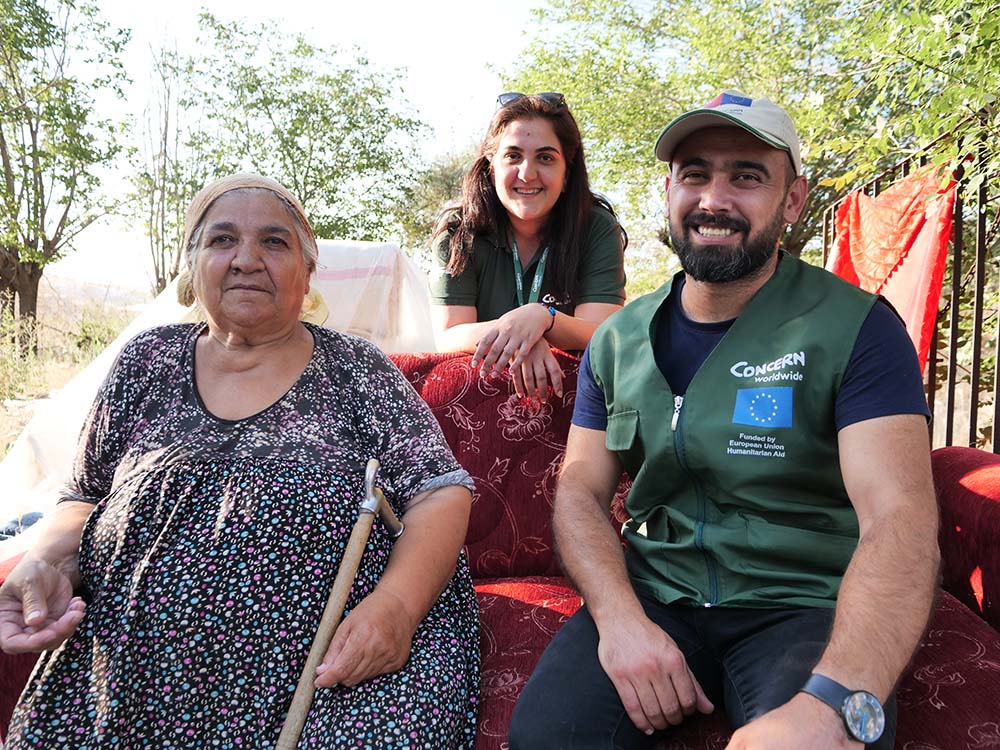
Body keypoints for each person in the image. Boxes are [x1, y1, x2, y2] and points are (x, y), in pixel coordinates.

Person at [508, 91, 939, 749]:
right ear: (669, 190)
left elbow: (901, 519)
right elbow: (578, 492)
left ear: (792, 199)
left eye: (746, 176)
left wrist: (832, 702)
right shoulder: (617, 340)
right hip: (658, 591)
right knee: (548, 739)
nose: (715, 198)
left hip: (804, 605)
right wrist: (621, 620)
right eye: (695, 173)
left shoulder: (858, 329)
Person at [0, 173, 480, 749]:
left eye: (275, 243)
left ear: (308, 272)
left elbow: (439, 491)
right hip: (130, 667)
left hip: (329, 666)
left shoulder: (355, 367)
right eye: (222, 240)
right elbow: (82, 495)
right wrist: (48, 562)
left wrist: (396, 610)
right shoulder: (146, 362)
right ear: (193, 264)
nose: (246, 260)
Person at [429, 92, 627, 402]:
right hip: (478, 401)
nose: (527, 173)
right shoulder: (458, 230)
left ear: (567, 174)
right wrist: (523, 331)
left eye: (545, 157)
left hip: (572, 402)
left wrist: (544, 318)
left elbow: (603, 334)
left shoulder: (597, 228)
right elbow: (449, 337)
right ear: (491, 166)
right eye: (513, 156)